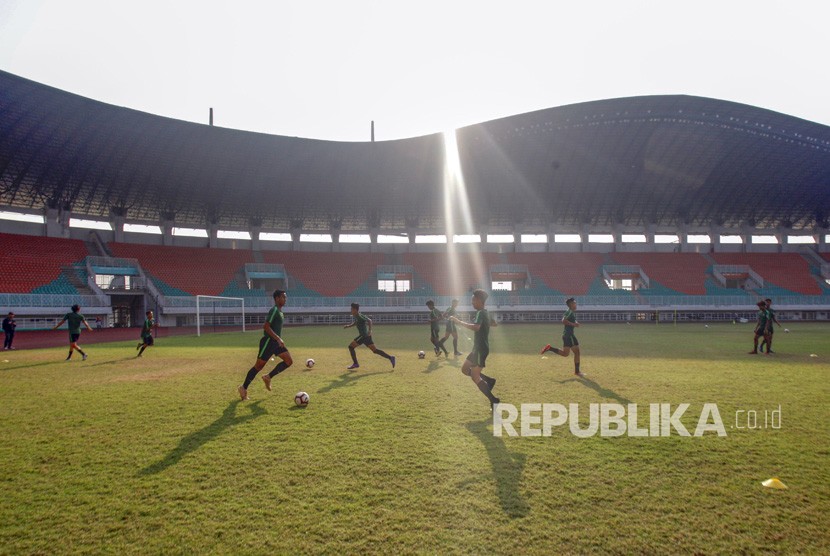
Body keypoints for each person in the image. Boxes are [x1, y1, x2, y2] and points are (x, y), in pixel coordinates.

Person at [238, 290, 293, 401]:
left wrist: (277, 340)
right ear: (277, 298)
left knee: (288, 361)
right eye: (283, 297)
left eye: (285, 297)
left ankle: (268, 377)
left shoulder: (280, 312)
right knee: (258, 366)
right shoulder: (274, 311)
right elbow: (266, 327)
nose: (285, 299)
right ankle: (243, 388)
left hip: (275, 343)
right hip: (268, 342)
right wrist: (278, 338)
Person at [448, 289, 499, 410]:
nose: (472, 303)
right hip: (478, 348)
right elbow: (494, 324)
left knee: (475, 376)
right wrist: (486, 324)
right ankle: (489, 381)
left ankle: (494, 400)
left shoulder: (481, 313)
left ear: (479, 301)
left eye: (473, 300)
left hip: (481, 349)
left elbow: (476, 327)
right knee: (465, 369)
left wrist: (458, 321)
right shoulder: (485, 312)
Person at [343, 303, 396, 370]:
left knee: (351, 347)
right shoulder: (357, 315)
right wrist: (348, 326)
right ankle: (391, 357)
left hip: (363, 336)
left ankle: (355, 363)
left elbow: (369, 320)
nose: (350, 310)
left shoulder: (359, 315)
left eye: (351, 309)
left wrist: (370, 330)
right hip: (366, 337)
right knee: (375, 350)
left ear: (355, 309)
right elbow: (356, 322)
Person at [540, 297, 584, 377]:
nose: (576, 304)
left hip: (566, 335)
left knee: (565, 354)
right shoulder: (569, 312)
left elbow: (570, 320)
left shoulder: (570, 312)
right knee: (577, 352)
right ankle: (577, 372)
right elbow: (563, 320)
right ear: (571, 304)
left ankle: (550, 348)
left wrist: (575, 322)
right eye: (574, 303)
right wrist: (574, 324)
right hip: (569, 335)